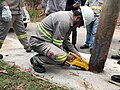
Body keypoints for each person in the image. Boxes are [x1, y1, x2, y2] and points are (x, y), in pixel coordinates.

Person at [29, 6, 94, 73]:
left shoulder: (69, 19)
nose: (79, 26)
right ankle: (36, 60)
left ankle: (55, 58)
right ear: (78, 18)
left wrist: (75, 53)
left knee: (64, 55)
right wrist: (67, 57)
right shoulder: (64, 21)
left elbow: (66, 40)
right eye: (80, 24)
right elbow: (57, 43)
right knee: (62, 57)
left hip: (46, 42)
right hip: (38, 42)